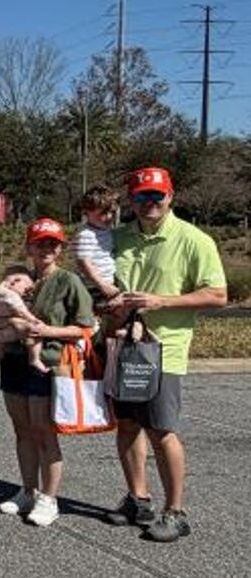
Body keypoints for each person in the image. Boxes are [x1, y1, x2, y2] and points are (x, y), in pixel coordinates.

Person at [100, 167, 226, 543]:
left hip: (163, 350)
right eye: (141, 196)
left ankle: (176, 511)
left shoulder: (193, 240)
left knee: (161, 429)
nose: (149, 203)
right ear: (131, 200)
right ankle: (138, 498)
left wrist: (161, 301)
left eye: (157, 196)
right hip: (121, 346)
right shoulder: (118, 237)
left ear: (171, 197)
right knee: (126, 425)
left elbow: (217, 295)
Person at [0, 218, 94, 529]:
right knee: (22, 429)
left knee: (44, 431)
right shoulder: (18, 279)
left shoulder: (68, 281)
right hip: (14, 360)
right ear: (29, 246)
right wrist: (10, 325)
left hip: (48, 363)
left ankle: (50, 497)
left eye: (53, 243)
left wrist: (47, 330)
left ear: (61, 248)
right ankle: (28, 489)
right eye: (40, 242)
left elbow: (84, 328)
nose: (46, 248)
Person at [0, 266, 51, 376]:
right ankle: (34, 358)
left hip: (0, 330)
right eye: (26, 289)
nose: (26, 293)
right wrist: (33, 320)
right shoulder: (9, 295)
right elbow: (21, 311)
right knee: (34, 332)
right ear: (15, 282)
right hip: (12, 329)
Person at [71, 185, 121, 304]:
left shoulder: (107, 231)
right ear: (87, 212)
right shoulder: (86, 234)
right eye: (103, 213)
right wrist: (102, 285)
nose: (109, 217)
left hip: (109, 282)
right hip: (93, 287)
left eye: (112, 212)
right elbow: (83, 263)